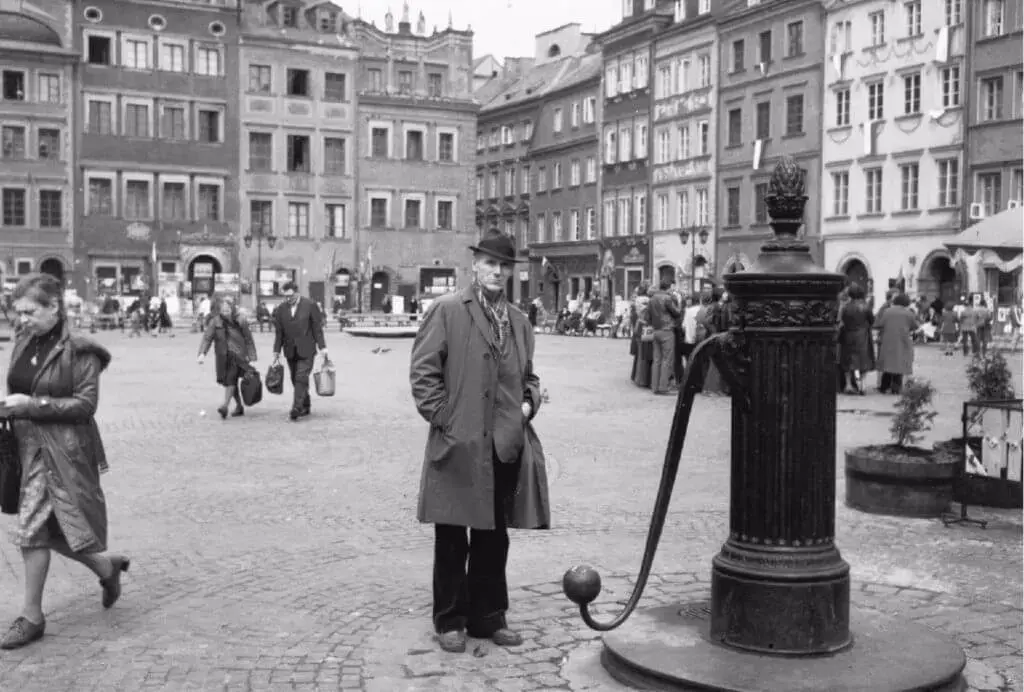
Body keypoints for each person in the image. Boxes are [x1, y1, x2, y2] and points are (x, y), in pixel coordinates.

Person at [409, 227, 547, 654]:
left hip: (503, 444)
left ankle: (489, 617)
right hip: (460, 442)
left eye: (505, 265)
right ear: (475, 264)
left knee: (493, 536)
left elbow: (529, 378)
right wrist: (447, 420)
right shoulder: (449, 310)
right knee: (452, 535)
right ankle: (450, 619)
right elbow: (423, 374)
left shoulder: (520, 322)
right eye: (490, 263)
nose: (498, 271)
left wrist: (528, 405)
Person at [1, 274, 129, 650]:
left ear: (54, 308)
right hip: (26, 450)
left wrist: (33, 405)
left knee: (31, 530)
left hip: (63, 452)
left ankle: (32, 616)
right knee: (55, 533)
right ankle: (108, 568)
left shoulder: (81, 350)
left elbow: (86, 405)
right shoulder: (24, 341)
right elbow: (20, 386)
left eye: (29, 312)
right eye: (17, 312)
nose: (20, 320)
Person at [272, 282, 327, 421]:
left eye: (290, 296)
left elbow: (317, 328)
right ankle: (306, 404)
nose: (288, 299)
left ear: (297, 293)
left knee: (301, 377)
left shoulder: (310, 305)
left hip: (307, 349)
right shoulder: (281, 309)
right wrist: (276, 351)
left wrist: (323, 347)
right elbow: (279, 333)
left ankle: (296, 408)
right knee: (295, 379)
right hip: (290, 350)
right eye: (286, 296)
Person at [197, 295, 258, 419]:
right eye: (223, 310)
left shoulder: (241, 320)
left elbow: (248, 339)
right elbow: (207, 338)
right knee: (230, 381)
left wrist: (252, 356)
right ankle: (239, 406)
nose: (225, 312)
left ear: (232, 309)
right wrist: (202, 353)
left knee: (230, 378)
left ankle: (225, 406)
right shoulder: (215, 321)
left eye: (228, 310)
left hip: (239, 355)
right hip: (223, 356)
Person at [874, 292, 919, 394]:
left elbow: (879, 324)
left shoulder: (887, 311)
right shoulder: (909, 313)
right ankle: (896, 388)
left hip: (888, 340)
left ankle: (884, 386)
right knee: (899, 365)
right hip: (903, 341)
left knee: (888, 365)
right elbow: (915, 326)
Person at [838, 283, 875, 395]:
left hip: (848, 335)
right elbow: (872, 320)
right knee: (863, 360)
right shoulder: (865, 306)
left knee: (848, 360)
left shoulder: (845, 307)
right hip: (862, 335)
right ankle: (862, 386)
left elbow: (841, 320)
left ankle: (848, 384)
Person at [648, 279, 681, 395]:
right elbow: (677, 313)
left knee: (656, 360)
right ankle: (663, 387)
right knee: (667, 360)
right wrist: (679, 303)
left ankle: (654, 386)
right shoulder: (667, 298)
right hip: (667, 330)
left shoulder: (652, 299)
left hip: (656, 330)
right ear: (668, 287)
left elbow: (648, 316)